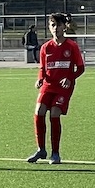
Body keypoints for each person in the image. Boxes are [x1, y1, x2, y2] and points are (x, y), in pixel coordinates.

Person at [27, 12, 85, 165]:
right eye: (53, 25)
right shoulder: (45, 47)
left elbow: (80, 68)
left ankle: (55, 153)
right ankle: (41, 149)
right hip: (48, 85)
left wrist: (70, 78)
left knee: (54, 113)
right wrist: (40, 79)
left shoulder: (71, 46)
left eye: (58, 25)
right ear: (49, 27)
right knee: (38, 111)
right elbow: (42, 68)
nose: (55, 28)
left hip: (64, 87)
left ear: (64, 26)